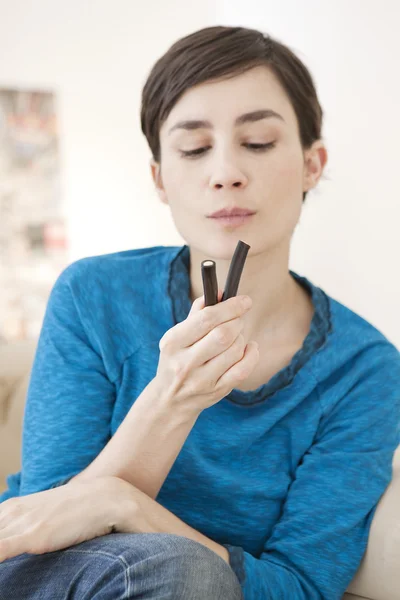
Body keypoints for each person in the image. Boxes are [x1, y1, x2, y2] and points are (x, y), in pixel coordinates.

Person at [0, 24, 399, 600]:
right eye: (193, 148)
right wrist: (173, 397)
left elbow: (302, 587)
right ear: (161, 179)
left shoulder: (362, 370)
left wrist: (125, 504)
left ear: (313, 165)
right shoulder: (94, 296)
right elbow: (48, 523)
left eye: (258, 142)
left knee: (182, 569)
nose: (225, 173)